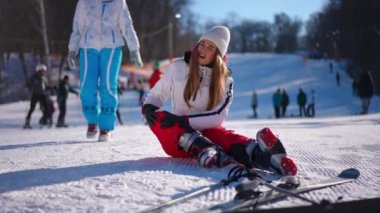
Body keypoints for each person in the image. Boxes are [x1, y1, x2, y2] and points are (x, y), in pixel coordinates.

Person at [141, 26, 297, 176]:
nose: (203, 50)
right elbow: (157, 94)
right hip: (177, 136)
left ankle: (266, 157)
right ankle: (206, 149)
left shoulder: (225, 80)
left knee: (224, 136)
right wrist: (148, 106)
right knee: (161, 119)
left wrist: (183, 120)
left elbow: (217, 116)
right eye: (202, 44)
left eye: (210, 47)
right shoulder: (179, 67)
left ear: (218, 55)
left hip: (206, 129)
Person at [67, 0, 143, 141]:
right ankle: (92, 121)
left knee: (108, 86)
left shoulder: (119, 2)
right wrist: (72, 49)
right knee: (86, 87)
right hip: (88, 46)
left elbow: (127, 25)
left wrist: (134, 48)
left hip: (112, 47)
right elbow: (77, 26)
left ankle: (106, 127)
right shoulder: (84, 2)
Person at [23, 64, 50, 129]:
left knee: (47, 108)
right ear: (38, 71)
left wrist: (53, 88)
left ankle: (47, 121)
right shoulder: (34, 77)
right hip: (35, 95)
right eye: (42, 71)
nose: (43, 72)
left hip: (42, 94)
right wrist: (29, 88)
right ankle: (27, 122)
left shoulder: (44, 78)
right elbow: (28, 84)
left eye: (43, 71)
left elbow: (46, 86)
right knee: (32, 109)